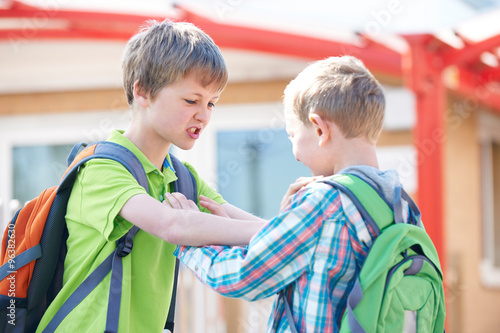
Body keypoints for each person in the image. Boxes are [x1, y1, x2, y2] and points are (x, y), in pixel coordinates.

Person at [37, 20, 264, 333]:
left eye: (211, 103)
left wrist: (297, 228)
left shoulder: (181, 178)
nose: (204, 115)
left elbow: (246, 226)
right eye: (191, 100)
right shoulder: (101, 169)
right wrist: (289, 234)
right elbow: (172, 225)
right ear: (142, 91)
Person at [170, 55, 417, 332]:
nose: (295, 154)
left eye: (292, 136)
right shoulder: (399, 203)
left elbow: (244, 276)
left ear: (320, 128)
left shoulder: (323, 204)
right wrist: (281, 223)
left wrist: (188, 238)